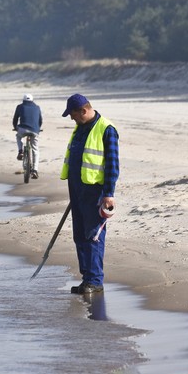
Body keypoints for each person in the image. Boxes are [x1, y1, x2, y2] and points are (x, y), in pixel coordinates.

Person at [60, 93, 119, 294]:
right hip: (77, 189)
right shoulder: (80, 128)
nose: (71, 118)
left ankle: (95, 281)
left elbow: (112, 164)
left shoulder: (106, 129)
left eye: (73, 114)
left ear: (84, 110)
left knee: (93, 235)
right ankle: (87, 279)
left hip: (95, 191)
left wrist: (109, 193)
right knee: (79, 235)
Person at [12, 93, 43, 178]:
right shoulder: (37, 107)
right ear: (32, 100)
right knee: (35, 149)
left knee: (18, 136)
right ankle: (35, 170)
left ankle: (20, 151)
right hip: (35, 130)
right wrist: (38, 129)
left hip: (22, 129)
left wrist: (15, 127)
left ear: (23, 100)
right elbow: (40, 121)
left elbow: (15, 119)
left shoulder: (20, 107)